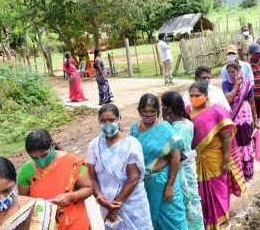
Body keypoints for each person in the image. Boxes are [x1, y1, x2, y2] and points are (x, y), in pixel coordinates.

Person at [187, 81, 247, 229]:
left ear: (206, 95)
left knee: (217, 187)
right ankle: (205, 218)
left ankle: (221, 216)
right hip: (195, 158)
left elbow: (227, 137)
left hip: (215, 158)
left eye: (197, 95)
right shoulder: (187, 111)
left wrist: (226, 161)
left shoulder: (217, 111)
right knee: (200, 189)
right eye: (192, 95)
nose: (194, 98)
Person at [87, 103, 153, 230]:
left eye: (111, 120)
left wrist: (115, 207)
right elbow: (92, 176)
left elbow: (133, 178)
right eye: (103, 120)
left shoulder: (131, 144)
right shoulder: (94, 145)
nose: (107, 124)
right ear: (98, 121)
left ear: (119, 119)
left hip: (133, 202)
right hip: (106, 203)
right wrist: (101, 199)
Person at [130, 94, 188, 230]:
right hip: (145, 184)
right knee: (151, 219)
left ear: (158, 111)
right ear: (139, 111)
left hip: (165, 182)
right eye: (145, 112)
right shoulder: (134, 129)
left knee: (175, 219)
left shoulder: (166, 130)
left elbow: (175, 158)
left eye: (152, 112)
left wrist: (170, 186)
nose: (148, 115)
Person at [18, 130, 92, 230]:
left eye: (44, 155)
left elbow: (88, 188)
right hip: (44, 223)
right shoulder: (26, 170)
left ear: (52, 145)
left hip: (74, 222)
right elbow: (23, 201)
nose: (40, 160)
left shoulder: (72, 162)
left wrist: (71, 196)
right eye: (34, 157)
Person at [160, 92, 204, 230]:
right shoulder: (182, 124)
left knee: (188, 202)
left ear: (168, 108)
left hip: (182, 170)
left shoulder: (181, 127)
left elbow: (180, 155)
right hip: (182, 168)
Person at [222, 62, 260, 179]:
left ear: (239, 71)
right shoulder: (225, 84)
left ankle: (248, 171)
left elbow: (252, 102)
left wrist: (255, 118)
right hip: (233, 118)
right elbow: (228, 100)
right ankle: (237, 172)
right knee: (235, 142)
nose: (232, 74)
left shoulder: (247, 84)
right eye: (229, 72)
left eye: (234, 71)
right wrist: (236, 85)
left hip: (245, 116)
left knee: (246, 141)